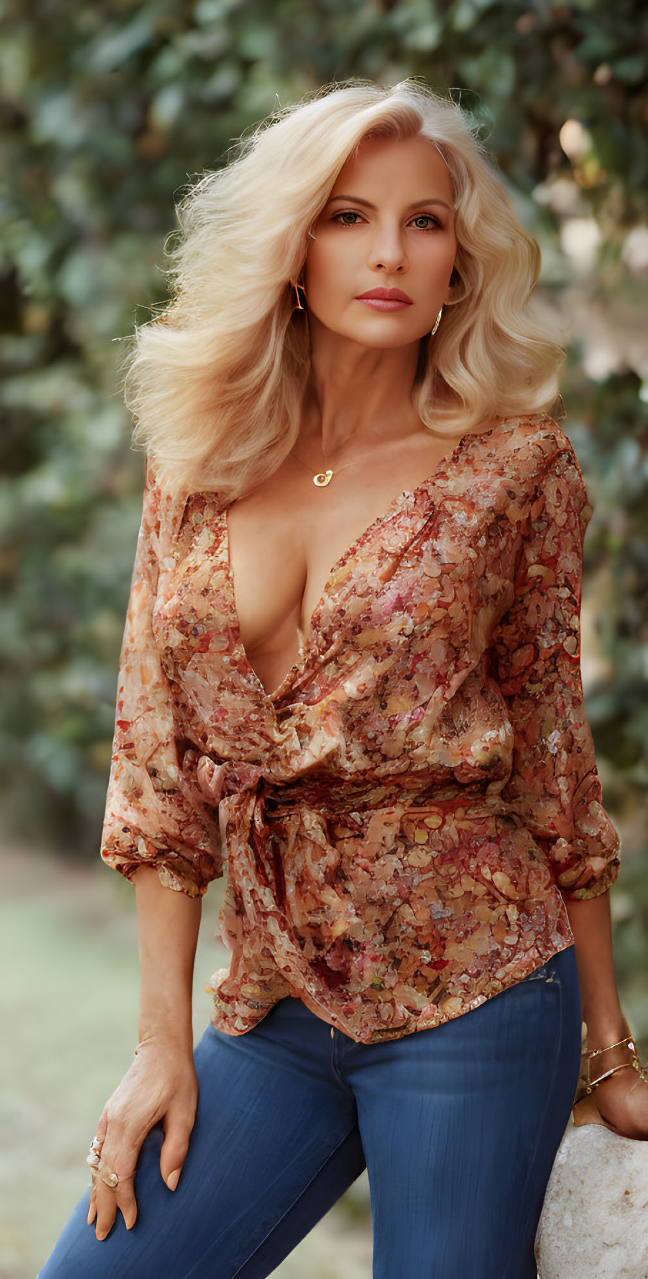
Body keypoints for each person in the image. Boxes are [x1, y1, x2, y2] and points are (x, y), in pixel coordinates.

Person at [34, 79, 646, 1279]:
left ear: (460, 260)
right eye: (348, 215)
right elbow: (158, 768)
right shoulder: (200, 454)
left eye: (425, 222)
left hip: (477, 987)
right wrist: (162, 1042)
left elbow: (557, 762)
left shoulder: (515, 470)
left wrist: (609, 1048)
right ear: (292, 245)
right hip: (274, 1003)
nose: (389, 252)